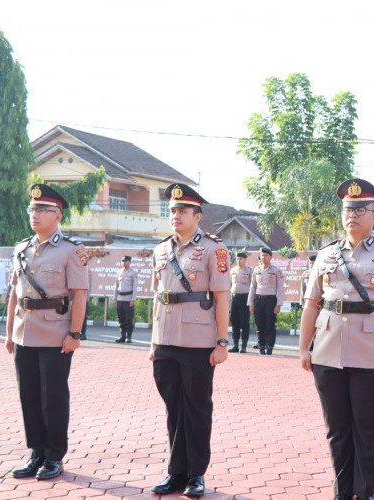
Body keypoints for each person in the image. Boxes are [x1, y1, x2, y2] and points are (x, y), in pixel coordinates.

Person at [299, 178, 374, 500]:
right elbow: (312, 303)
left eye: (361, 210)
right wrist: (304, 348)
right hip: (327, 352)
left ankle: (365, 493)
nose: (353, 215)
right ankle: (342, 491)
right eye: (348, 210)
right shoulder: (326, 254)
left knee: (369, 429)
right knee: (337, 430)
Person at [149, 183, 230, 497]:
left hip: (198, 343)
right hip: (166, 341)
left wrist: (222, 343)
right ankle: (175, 473)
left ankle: (196, 474)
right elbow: (158, 296)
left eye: (182, 210)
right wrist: (153, 343)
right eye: (172, 210)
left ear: (198, 216)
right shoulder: (161, 249)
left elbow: (222, 299)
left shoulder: (213, 249)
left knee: (196, 409)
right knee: (174, 410)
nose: (176, 215)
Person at [5, 184, 89, 481]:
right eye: (32, 209)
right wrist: (8, 333)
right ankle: (36, 452)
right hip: (24, 332)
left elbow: (80, 296)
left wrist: (75, 334)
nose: (35, 214)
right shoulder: (21, 248)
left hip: (55, 334)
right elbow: (15, 293)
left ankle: (54, 455)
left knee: (52, 397)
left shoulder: (71, 250)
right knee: (28, 395)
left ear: (57, 214)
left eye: (42, 209)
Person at [248, 247, 284, 355]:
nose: (263, 257)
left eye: (266, 255)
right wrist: (250, 303)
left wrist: (278, 304)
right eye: (262, 255)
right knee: (260, 325)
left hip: (270, 301)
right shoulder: (257, 269)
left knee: (270, 325)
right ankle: (261, 347)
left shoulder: (276, 270)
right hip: (258, 300)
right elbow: (252, 287)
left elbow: (280, 289)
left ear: (270, 257)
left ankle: (269, 347)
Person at [229, 251, 252, 352]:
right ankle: (235, 345)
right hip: (235, 298)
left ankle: (244, 346)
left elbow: (253, 286)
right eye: (237, 259)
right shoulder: (233, 270)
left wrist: (251, 301)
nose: (239, 260)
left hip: (245, 298)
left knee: (244, 323)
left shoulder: (250, 271)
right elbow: (229, 284)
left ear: (245, 260)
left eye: (241, 259)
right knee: (235, 322)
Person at [114, 255, 138, 343]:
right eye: (123, 261)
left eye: (126, 261)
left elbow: (135, 287)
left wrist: (133, 299)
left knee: (129, 319)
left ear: (129, 262)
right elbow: (116, 286)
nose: (124, 263)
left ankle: (129, 337)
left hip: (128, 299)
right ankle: (122, 336)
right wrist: (114, 298)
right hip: (120, 298)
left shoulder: (133, 273)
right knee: (121, 319)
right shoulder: (119, 272)